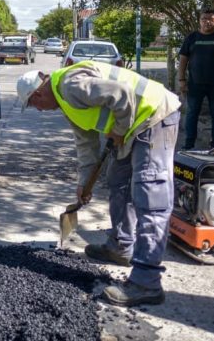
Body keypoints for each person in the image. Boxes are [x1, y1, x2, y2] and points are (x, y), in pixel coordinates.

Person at [17, 61, 181, 307]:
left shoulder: (71, 85)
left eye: (33, 104)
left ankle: (146, 283)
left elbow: (122, 95)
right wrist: (84, 184)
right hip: (132, 126)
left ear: (38, 93)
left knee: (150, 195)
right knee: (119, 182)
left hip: (153, 116)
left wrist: (119, 128)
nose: (38, 110)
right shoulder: (65, 103)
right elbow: (86, 146)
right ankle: (121, 246)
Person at [177, 9, 214, 150]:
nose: (207, 21)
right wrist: (181, 80)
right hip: (195, 84)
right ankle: (189, 144)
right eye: (204, 18)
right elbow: (183, 60)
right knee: (192, 113)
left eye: (210, 19)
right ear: (199, 20)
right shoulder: (192, 38)